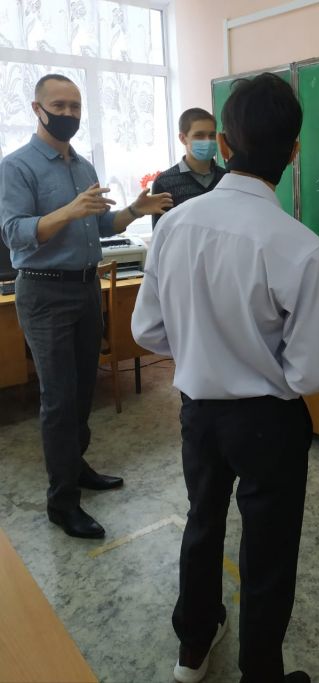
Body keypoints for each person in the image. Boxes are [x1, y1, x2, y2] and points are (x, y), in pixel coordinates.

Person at [132, 73, 319, 683]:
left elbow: (147, 330)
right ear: (294, 152)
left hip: (198, 410)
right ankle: (260, 674)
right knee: (268, 549)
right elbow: (308, 371)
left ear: (222, 144)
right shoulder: (300, 246)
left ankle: (192, 648)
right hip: (268, 420)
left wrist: (201, 351)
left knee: (202, 522)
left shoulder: (174, 225)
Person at [0, 74, 173, 539]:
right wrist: (68, 211)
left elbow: (97, 226)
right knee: (58, 398)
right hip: (43, 291)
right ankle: (62, 503)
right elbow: (15, 233)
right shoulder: (15, 167)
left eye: (75, 106)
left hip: (85, 288)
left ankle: (76, 468)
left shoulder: (83, 166)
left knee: (81, 391)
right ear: (37, 109)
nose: (69, 114)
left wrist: (134, 211)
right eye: (59, 105)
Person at [150, 108, 226, 229]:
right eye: (199, 135)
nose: (208, 141)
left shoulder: (226, 178)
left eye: (212, 135)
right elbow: (161, 233)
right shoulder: (164, 182)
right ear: (182, 138)